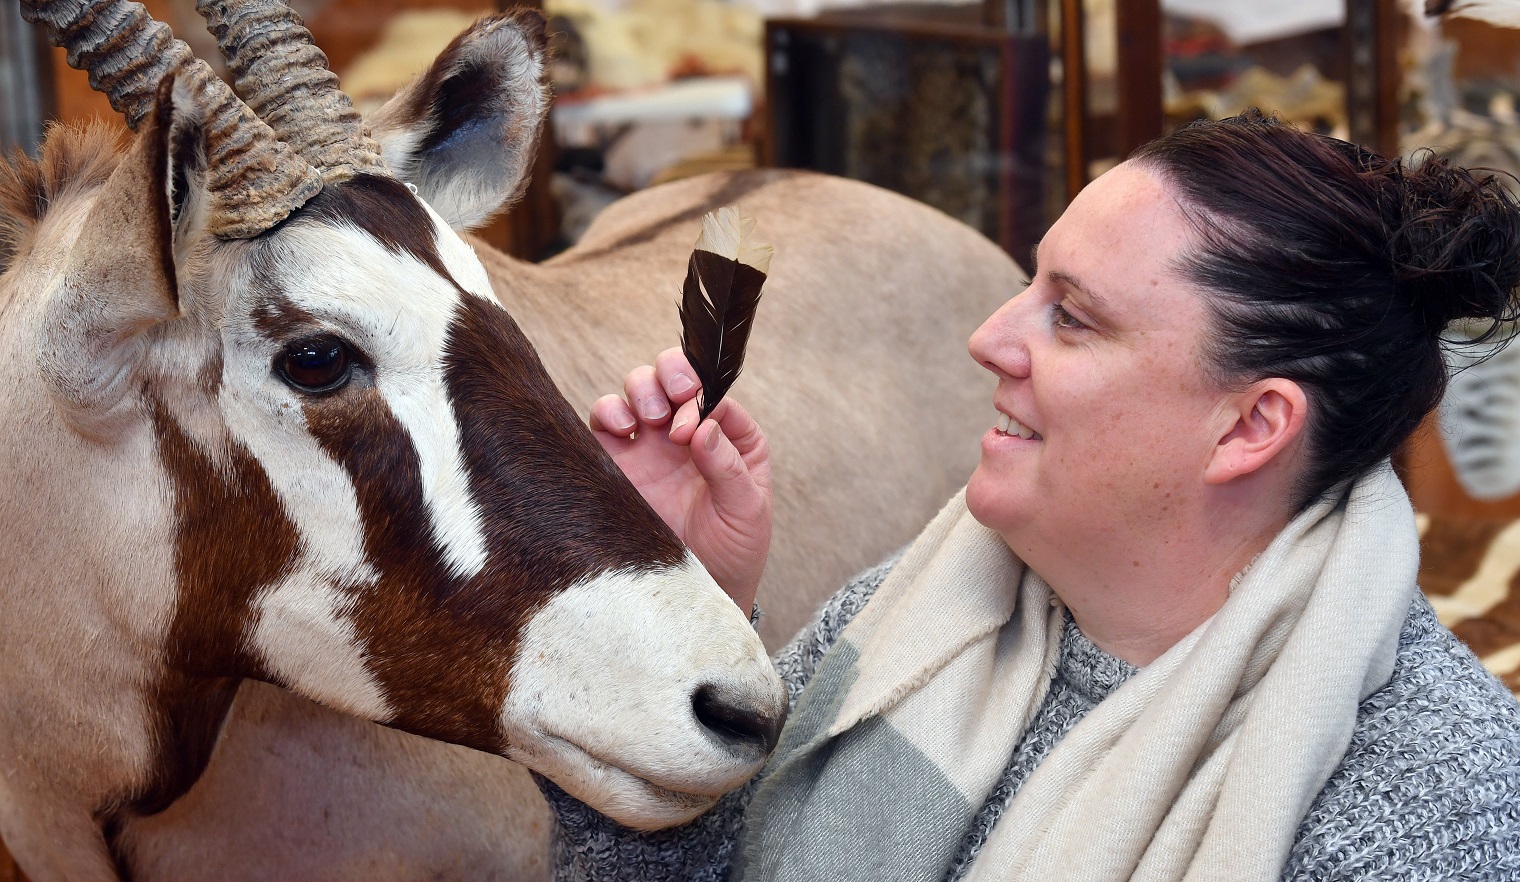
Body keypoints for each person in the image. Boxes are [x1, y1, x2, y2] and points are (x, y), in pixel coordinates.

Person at [546, 110, 1520, 881]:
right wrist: (679, 616)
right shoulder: (905, 614)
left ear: (1248, 427)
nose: (988, 337)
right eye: (1030, 284)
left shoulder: (1432, 812)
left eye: (1073, 318)